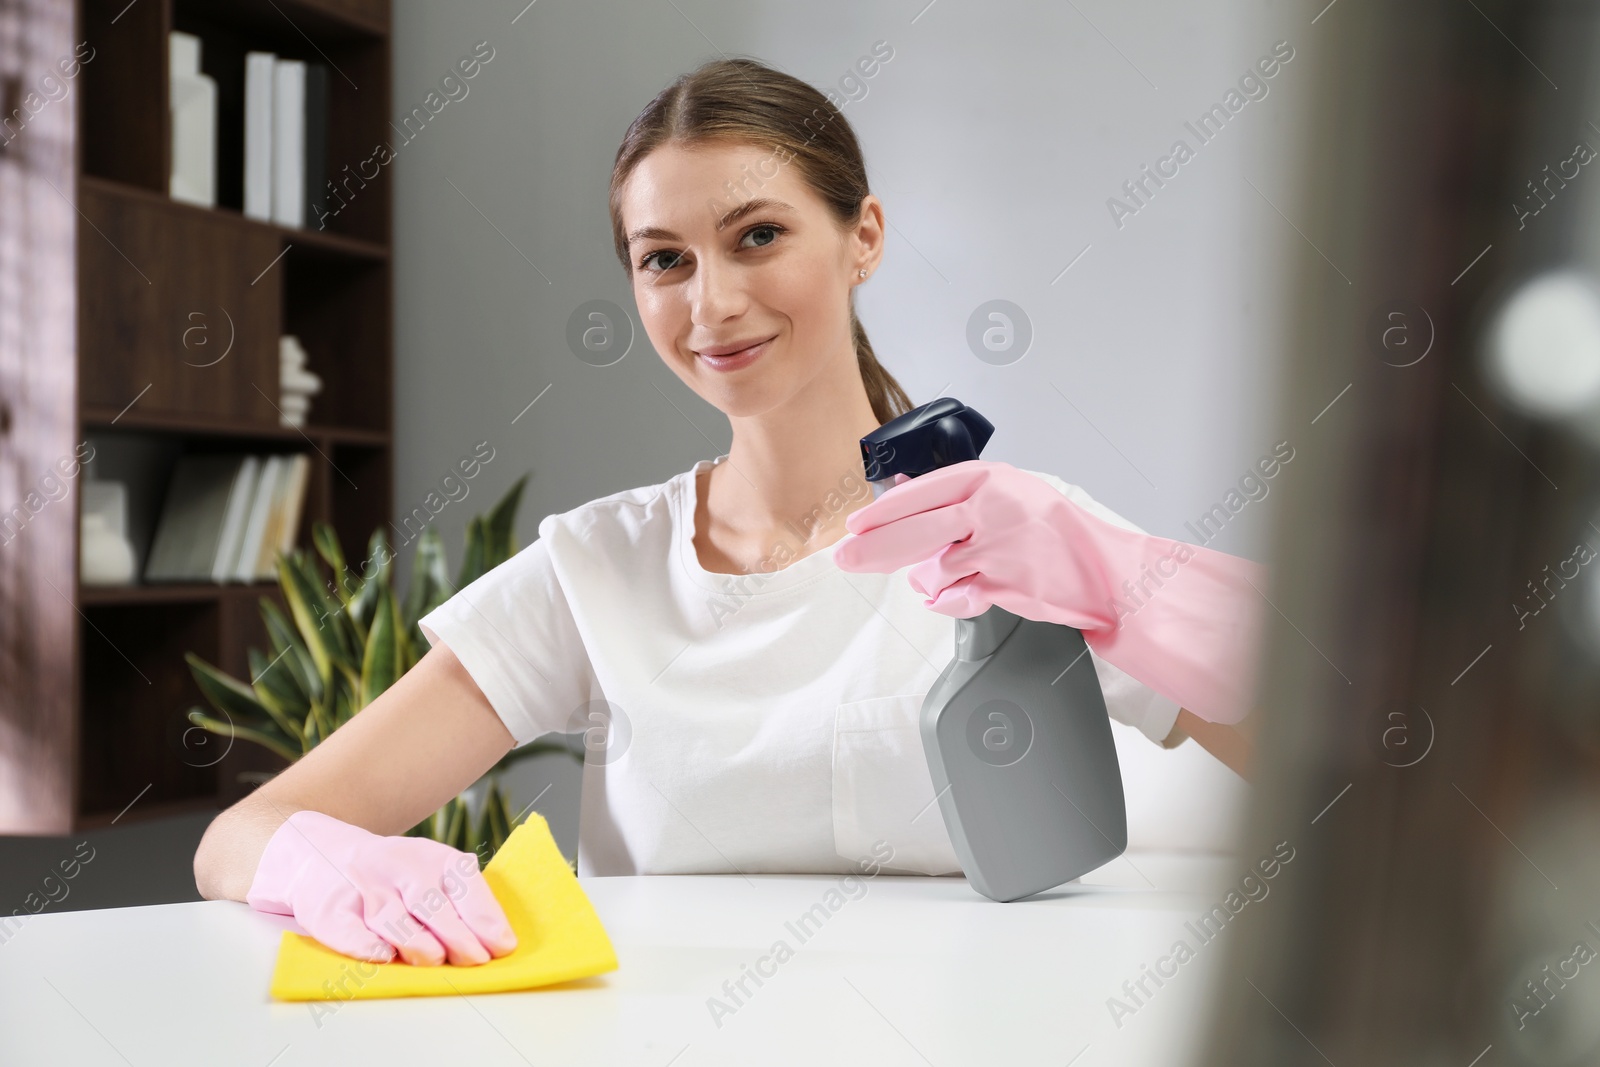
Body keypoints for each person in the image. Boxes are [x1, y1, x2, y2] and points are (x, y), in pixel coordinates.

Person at [192, 57, 1262, 968]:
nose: (712, 303)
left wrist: (1125, 584)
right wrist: (323, 859)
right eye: (664, 259)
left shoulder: (1015, 541)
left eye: (757, 235)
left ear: (864, 236)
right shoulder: (598, 569)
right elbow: (242, 834)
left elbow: (1358, 749)